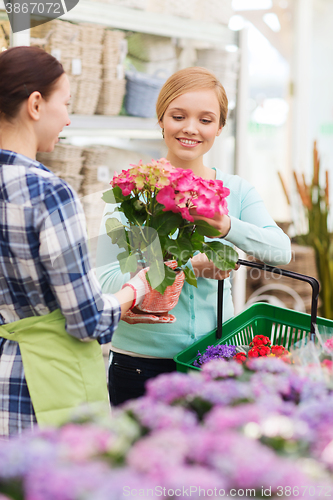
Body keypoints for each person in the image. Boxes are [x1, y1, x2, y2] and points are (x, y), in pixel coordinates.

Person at [96, 66, 292, 406]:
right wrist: (187, 267)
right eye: (178, 115)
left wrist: (226, 226)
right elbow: (107, 282)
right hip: (139, 367)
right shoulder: (132, 193)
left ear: (219, 128)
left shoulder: (237, 192)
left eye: (205, 120)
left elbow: (281, 251)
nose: (190, 128)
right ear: (161, 119)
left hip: (214, 361)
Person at [0, 46, 154, 437]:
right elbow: (87, 319)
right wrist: (135, 290)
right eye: (64, 104)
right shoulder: (48, 192)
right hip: (42, 388)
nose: (68, 118)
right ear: (35, 104)